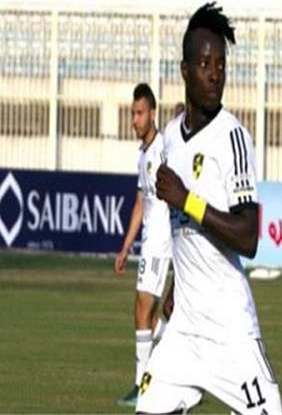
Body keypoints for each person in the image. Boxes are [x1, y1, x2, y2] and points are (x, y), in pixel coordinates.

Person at [137, 2, 282, 414]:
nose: (215, 73)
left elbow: (248, 236)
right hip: (184, 331)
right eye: (205, 64)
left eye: (221, 64)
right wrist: (174, 288)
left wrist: (188, 199)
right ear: (185, 70)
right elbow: (185, 233)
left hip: (229, 332)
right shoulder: (170, 137)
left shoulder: (232, 138)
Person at [114, 82, 172, 407]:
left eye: (139, 113)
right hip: (149, 242)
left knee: (141, 307)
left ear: (152, 113)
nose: (134, 120)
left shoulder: (164, 148)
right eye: (132, 113)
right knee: (149, 317)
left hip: (162, 242)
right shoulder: (143, 155)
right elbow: (140, 203)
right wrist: (126, 247)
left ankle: (142, 385)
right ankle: (173, 350)